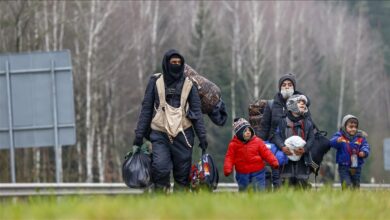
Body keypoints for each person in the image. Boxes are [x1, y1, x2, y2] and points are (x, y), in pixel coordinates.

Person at [133, 49, 208, 192]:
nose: (176, 65)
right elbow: (146, 109)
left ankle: (179, 207)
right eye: (173, 62)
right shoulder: (155, 82)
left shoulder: (189, 84)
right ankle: (161, 201)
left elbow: (196, 113)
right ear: (166, 63)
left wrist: (202, 137)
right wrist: (139, 135)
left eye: (179, 62)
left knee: (182, 175)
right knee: (160, 169)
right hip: (160, 133)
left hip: (184, 135)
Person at [257, 73, 311, 189]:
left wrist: (305, 148)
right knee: (279, 180)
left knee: (299, 181)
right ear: (280, 87)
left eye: (290, 84)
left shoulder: (302, 105)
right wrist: (258, 145)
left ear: (294, 87)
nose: (287, 87)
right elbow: (265, 127)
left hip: (298, 150)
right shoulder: (271, 105)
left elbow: (309, 128)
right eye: (284, 85)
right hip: (277, 146)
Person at [224, 118, 279, 192]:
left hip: (258, 172)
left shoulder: (257, 141)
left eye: (249, 130)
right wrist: (228, 169)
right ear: (239, 133)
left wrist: (274, 162)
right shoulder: (233, 145)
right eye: (245, 131)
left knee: (259, 191)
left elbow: (266, 153)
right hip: (242, 174)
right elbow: (229, 158)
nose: (248, 132)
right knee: (244, 192)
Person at [271, 94, 314, 188]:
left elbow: (311, 138)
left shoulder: (308, 123)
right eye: (299, 102)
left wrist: (305, 149)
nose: (303, 104)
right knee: (286, 183)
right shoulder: (282, 122)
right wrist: (282, 147)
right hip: (286, 159)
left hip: (303, 160)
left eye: (304, 103)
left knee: (301, 183)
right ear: (291, 105)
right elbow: (276, 136)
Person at [330, 114, 370, 190]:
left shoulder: (360, 137)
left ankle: (355, 199)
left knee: (356, 185)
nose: (353, 129)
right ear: (344, 127)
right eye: (351, 127)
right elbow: (331, 142)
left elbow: (366, 146)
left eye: (355, 127)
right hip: (343, 166)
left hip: (356, 167)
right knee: (346, 184)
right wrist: (337, 141)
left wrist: (364, 152)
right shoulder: (340, 135)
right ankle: (346, 197)